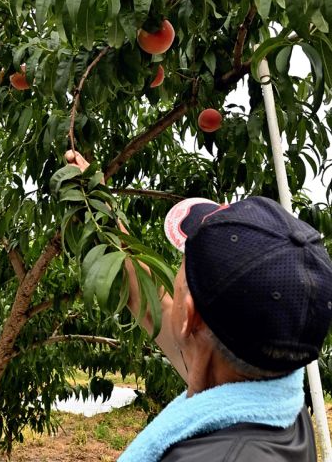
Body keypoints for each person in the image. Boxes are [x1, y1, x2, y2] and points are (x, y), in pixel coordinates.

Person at [65, 150, 332, 461]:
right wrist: (99, 208)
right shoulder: (275, 390)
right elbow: (154, 307)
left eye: (183, 264)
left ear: (191, 317)